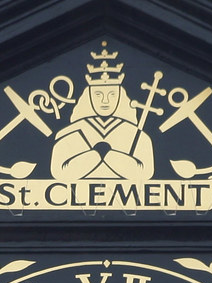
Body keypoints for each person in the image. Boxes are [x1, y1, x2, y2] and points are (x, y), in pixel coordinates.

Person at [50, 42, 154, 181]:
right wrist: (96, 155)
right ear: (89, 95)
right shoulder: (68, 132)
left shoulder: (139, 136)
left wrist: (109, 155)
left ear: (120, 95)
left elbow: (145, 173)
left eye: (112, 94)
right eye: (98, 94)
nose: (105, 101)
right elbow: (60, 173)